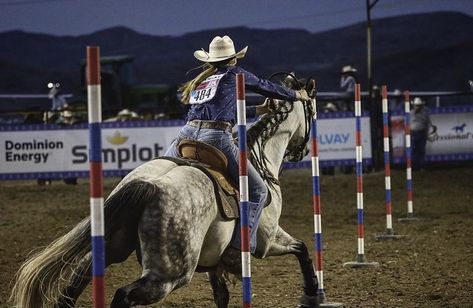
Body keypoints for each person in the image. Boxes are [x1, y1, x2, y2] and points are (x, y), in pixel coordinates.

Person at [164, 35, 310, 254]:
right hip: (215, 137)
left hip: (186, 135)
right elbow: (264, 85)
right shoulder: (235, 74)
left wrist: (256, 111)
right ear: (233, 58)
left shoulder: (203, 79)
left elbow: (217, 109)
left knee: (161, 171)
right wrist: (295, 95)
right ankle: (240, 247)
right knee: (258, 190)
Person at [410, 97, 431, 170]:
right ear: (414, 105)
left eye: (419, 105)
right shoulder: (410, 113)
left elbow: (427, 123)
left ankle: (421, 166)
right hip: (413, 133)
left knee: (421, 150)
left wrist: (427, 133)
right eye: (416, 105)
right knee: (413, 150)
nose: (417, 107)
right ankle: (413, 166)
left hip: (422, 133)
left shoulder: (425, 113)